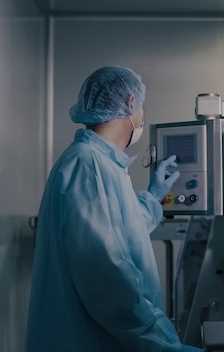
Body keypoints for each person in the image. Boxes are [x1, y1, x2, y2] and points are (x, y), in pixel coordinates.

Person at [26, 65, 201, 352]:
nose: (142, 114)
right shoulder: (88, 165)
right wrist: (164, 345)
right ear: (131, 102)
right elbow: (107, 281)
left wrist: (153, 197)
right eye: (141, 106)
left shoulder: (102, 164)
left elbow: (121, 231)